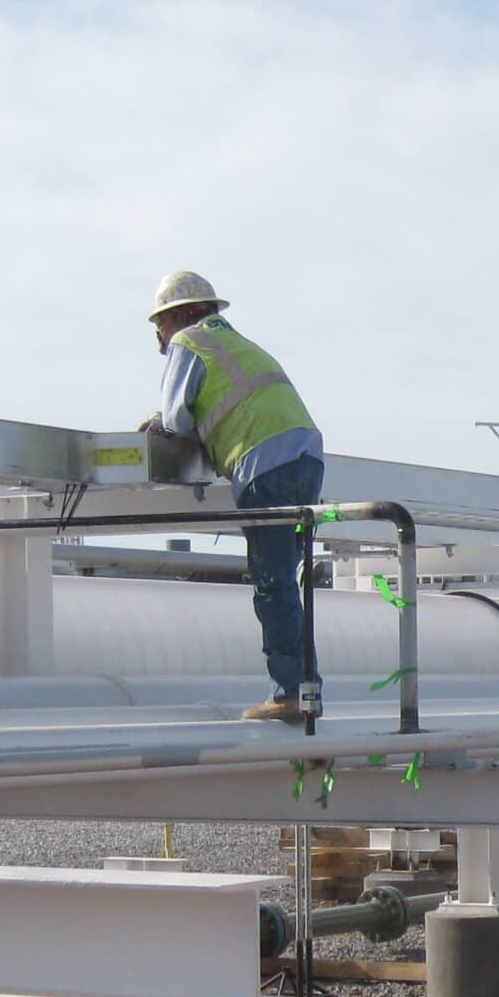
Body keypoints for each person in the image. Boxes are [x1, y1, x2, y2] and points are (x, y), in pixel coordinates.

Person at [144, 271, 324, 725]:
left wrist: (154, 428)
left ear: (182, 314)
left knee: (272, 581)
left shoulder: (191, 341)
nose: (159, 339)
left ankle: (289, 693)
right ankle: (306, 691)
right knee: (288, 578)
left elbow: (175, 420)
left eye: (160, 325)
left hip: (265, 462)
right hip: (305, 456)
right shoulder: (239, 344)